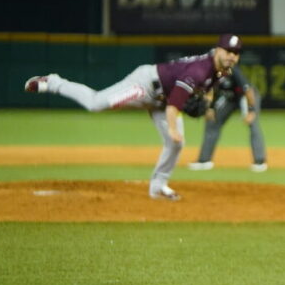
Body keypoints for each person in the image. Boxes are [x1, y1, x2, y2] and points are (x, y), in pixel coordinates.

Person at [23, 34, 242, 201]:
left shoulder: (221, 69)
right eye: (228, 51)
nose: (232, 56)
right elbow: (175, 104)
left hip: (161, 99)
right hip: (145, 86)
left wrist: (208, 105)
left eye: (236, 53)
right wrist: (173, 129)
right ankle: (53, 82)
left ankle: (158, 187)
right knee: (96, 103)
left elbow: (210, 86)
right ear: (217, 50)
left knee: (176, 145)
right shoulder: (198, 70)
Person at [188, 64, 267, 172]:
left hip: (246, 97)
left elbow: (247, 89)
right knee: (212, 121)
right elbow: (212, 93)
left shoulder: (232, 70)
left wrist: (251, 111)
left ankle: (259, 162)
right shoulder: (211, 74)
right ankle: (204, 160)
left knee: (252, 123)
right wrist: (210, 108)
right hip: (229, 98)